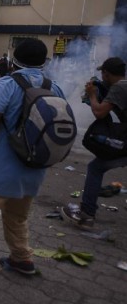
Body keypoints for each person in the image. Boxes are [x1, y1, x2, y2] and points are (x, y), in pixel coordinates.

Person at [0, 38, 66, 298]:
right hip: (35, 168)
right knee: (17, 216)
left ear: (14, 59)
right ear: (43, 62)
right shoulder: (56, 88)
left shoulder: (8, 83)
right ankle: (22, 259)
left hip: (4, 166)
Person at [61, 57, 127, 230]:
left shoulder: (119, 87)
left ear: (106, 73)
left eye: (102, 73)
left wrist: (92, 95)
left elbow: (99, 112)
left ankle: (87, 214)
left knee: (96, 168)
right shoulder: (122, 85)